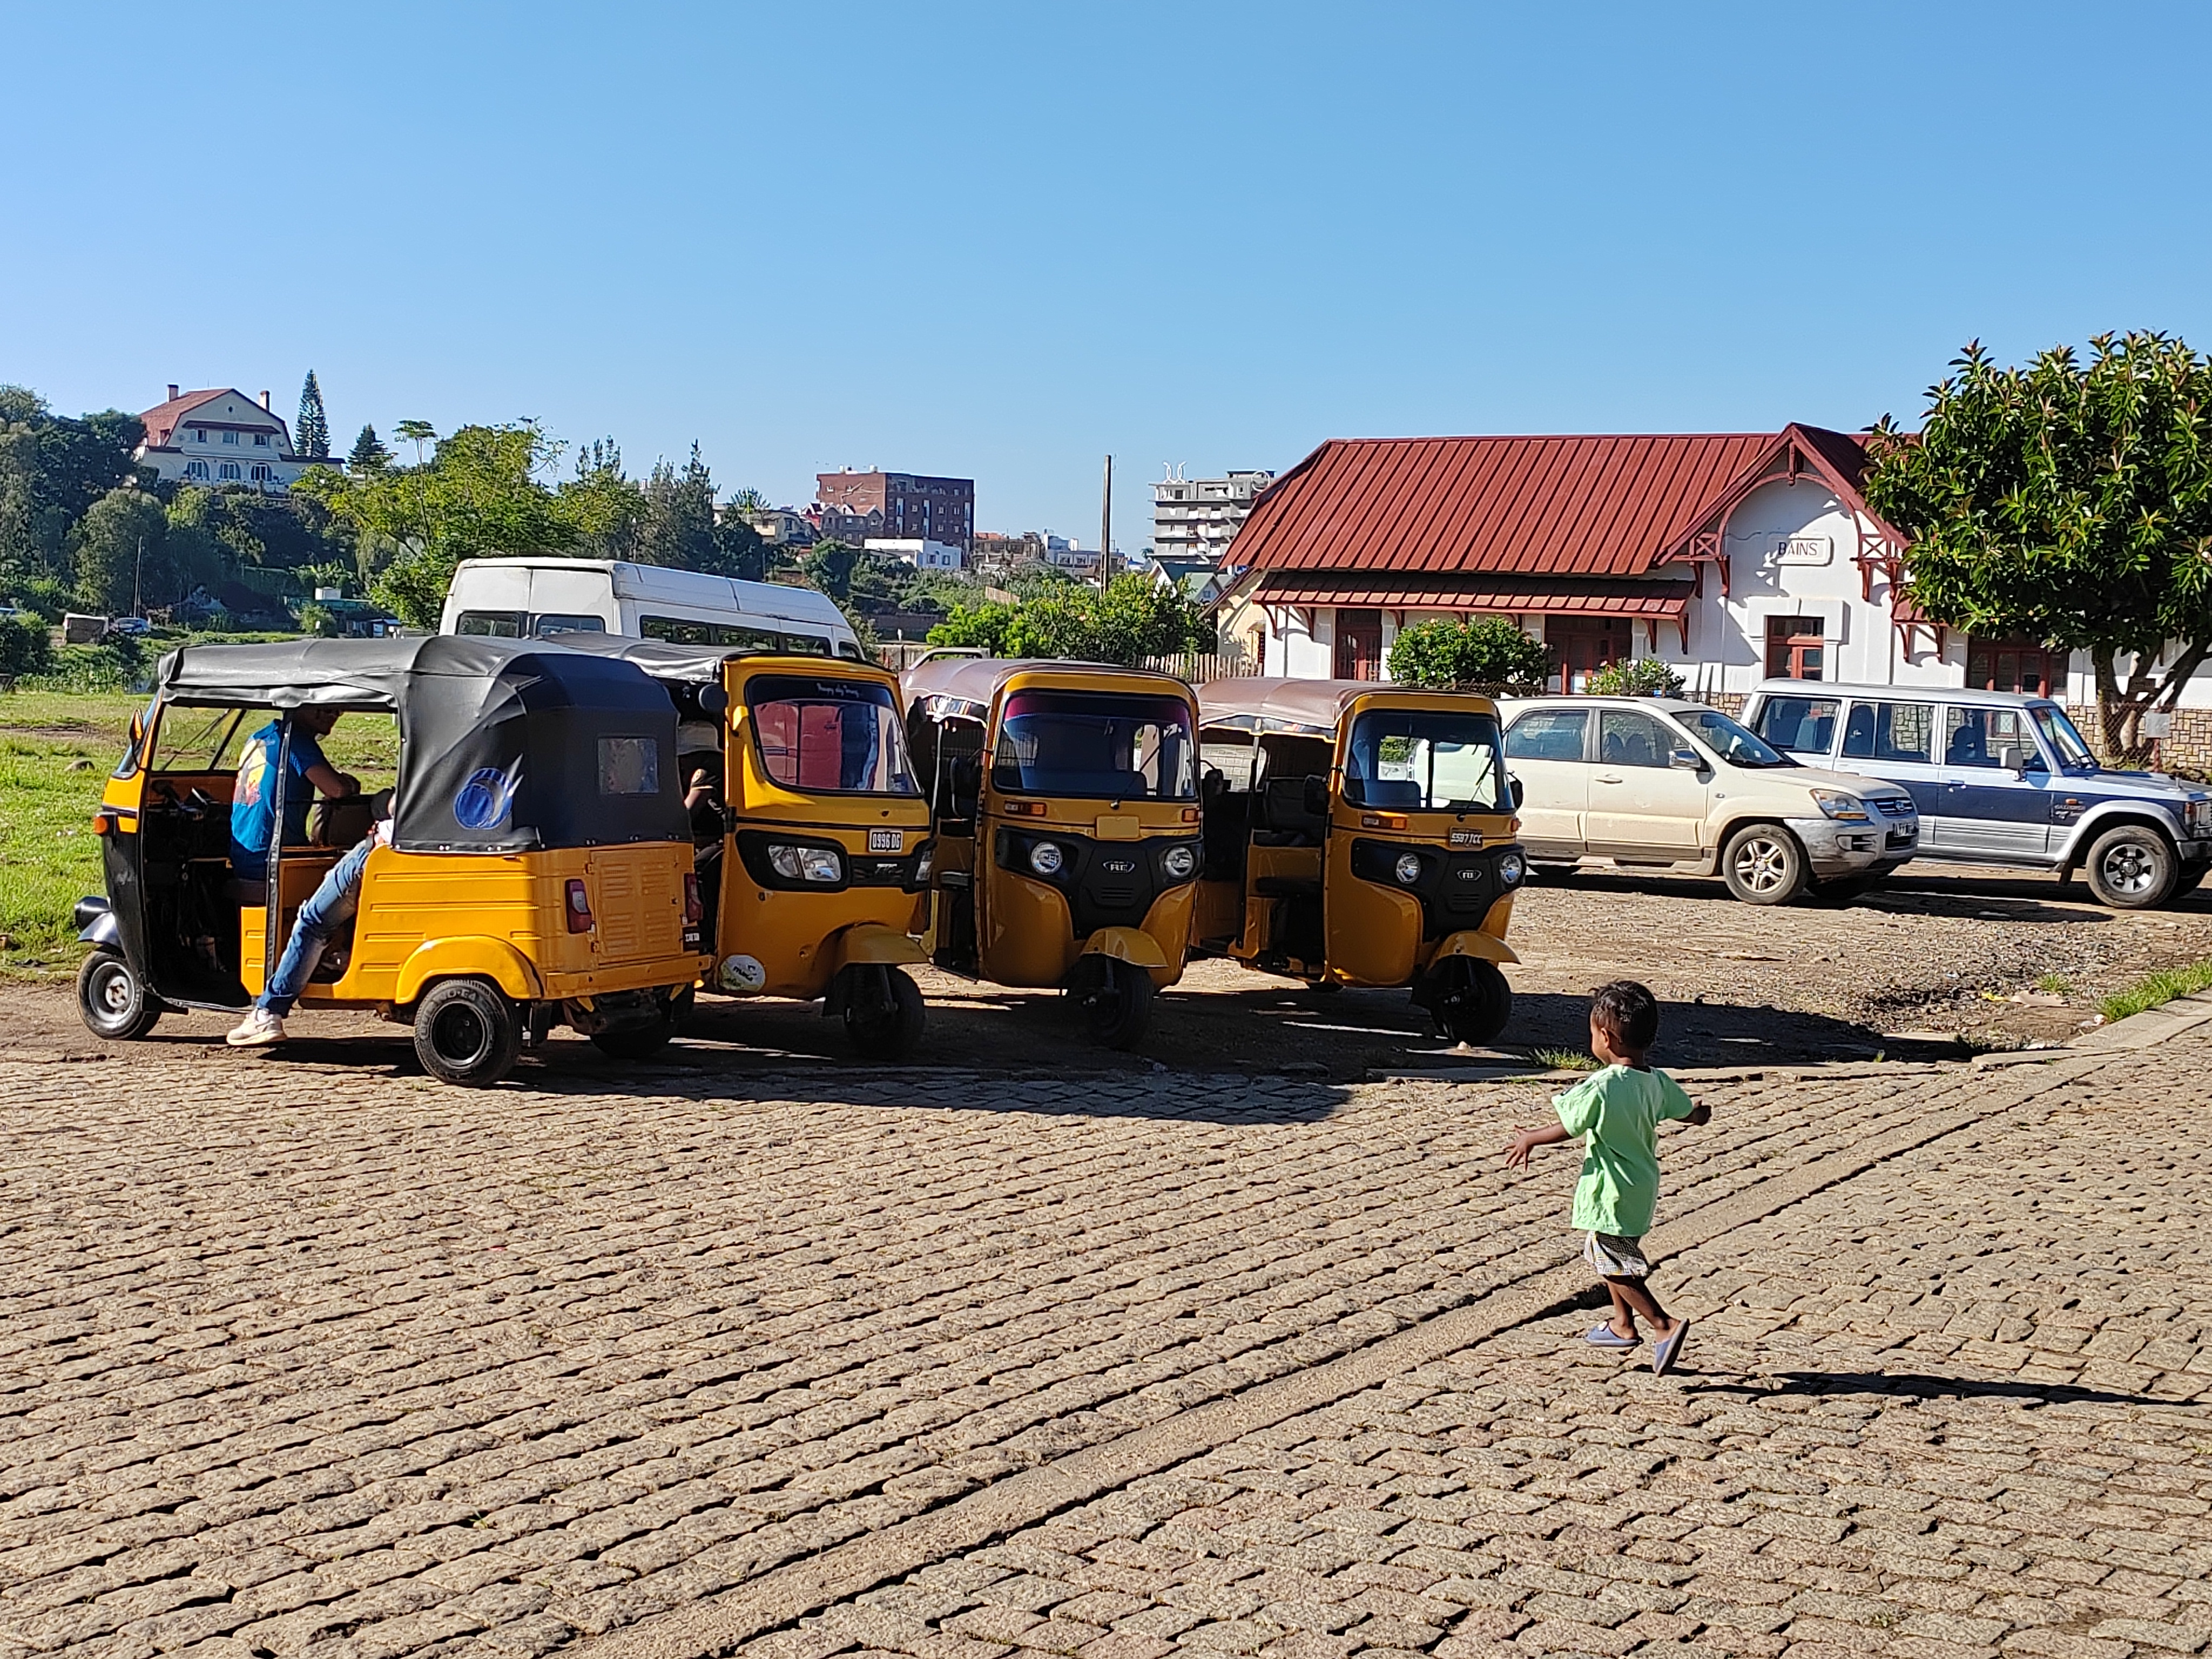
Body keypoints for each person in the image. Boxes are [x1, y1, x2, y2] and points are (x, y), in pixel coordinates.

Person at [1501, 980, 1711, 1375]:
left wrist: (1531, 1138)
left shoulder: (1602, 1086)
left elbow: (1571, 1124)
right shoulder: (1657, 1081)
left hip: (1610, 1191)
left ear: (1606, 1037)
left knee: (1614, 1263)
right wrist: (1701, 1113)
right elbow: (1689, 1113)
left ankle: (1663, 1325)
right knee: (1612, 1254)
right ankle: (1621, 1325)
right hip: (1641, 1188)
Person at [227, 798, 389, 1048]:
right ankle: (338, 957)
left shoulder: (427, 770)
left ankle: (269, 1011)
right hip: (400, 851)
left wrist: (382, 802)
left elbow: (342, 791)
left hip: (377, 850)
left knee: (312, 922)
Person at [230, 708, 359, 884]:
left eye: (338, 710)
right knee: (352, 873)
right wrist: (351, 784)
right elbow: (336, 789)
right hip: (273, 859)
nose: (333, 714)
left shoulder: (260, 737)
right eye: (324, 708)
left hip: (244, 855)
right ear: (296, 705)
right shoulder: (295, 740)